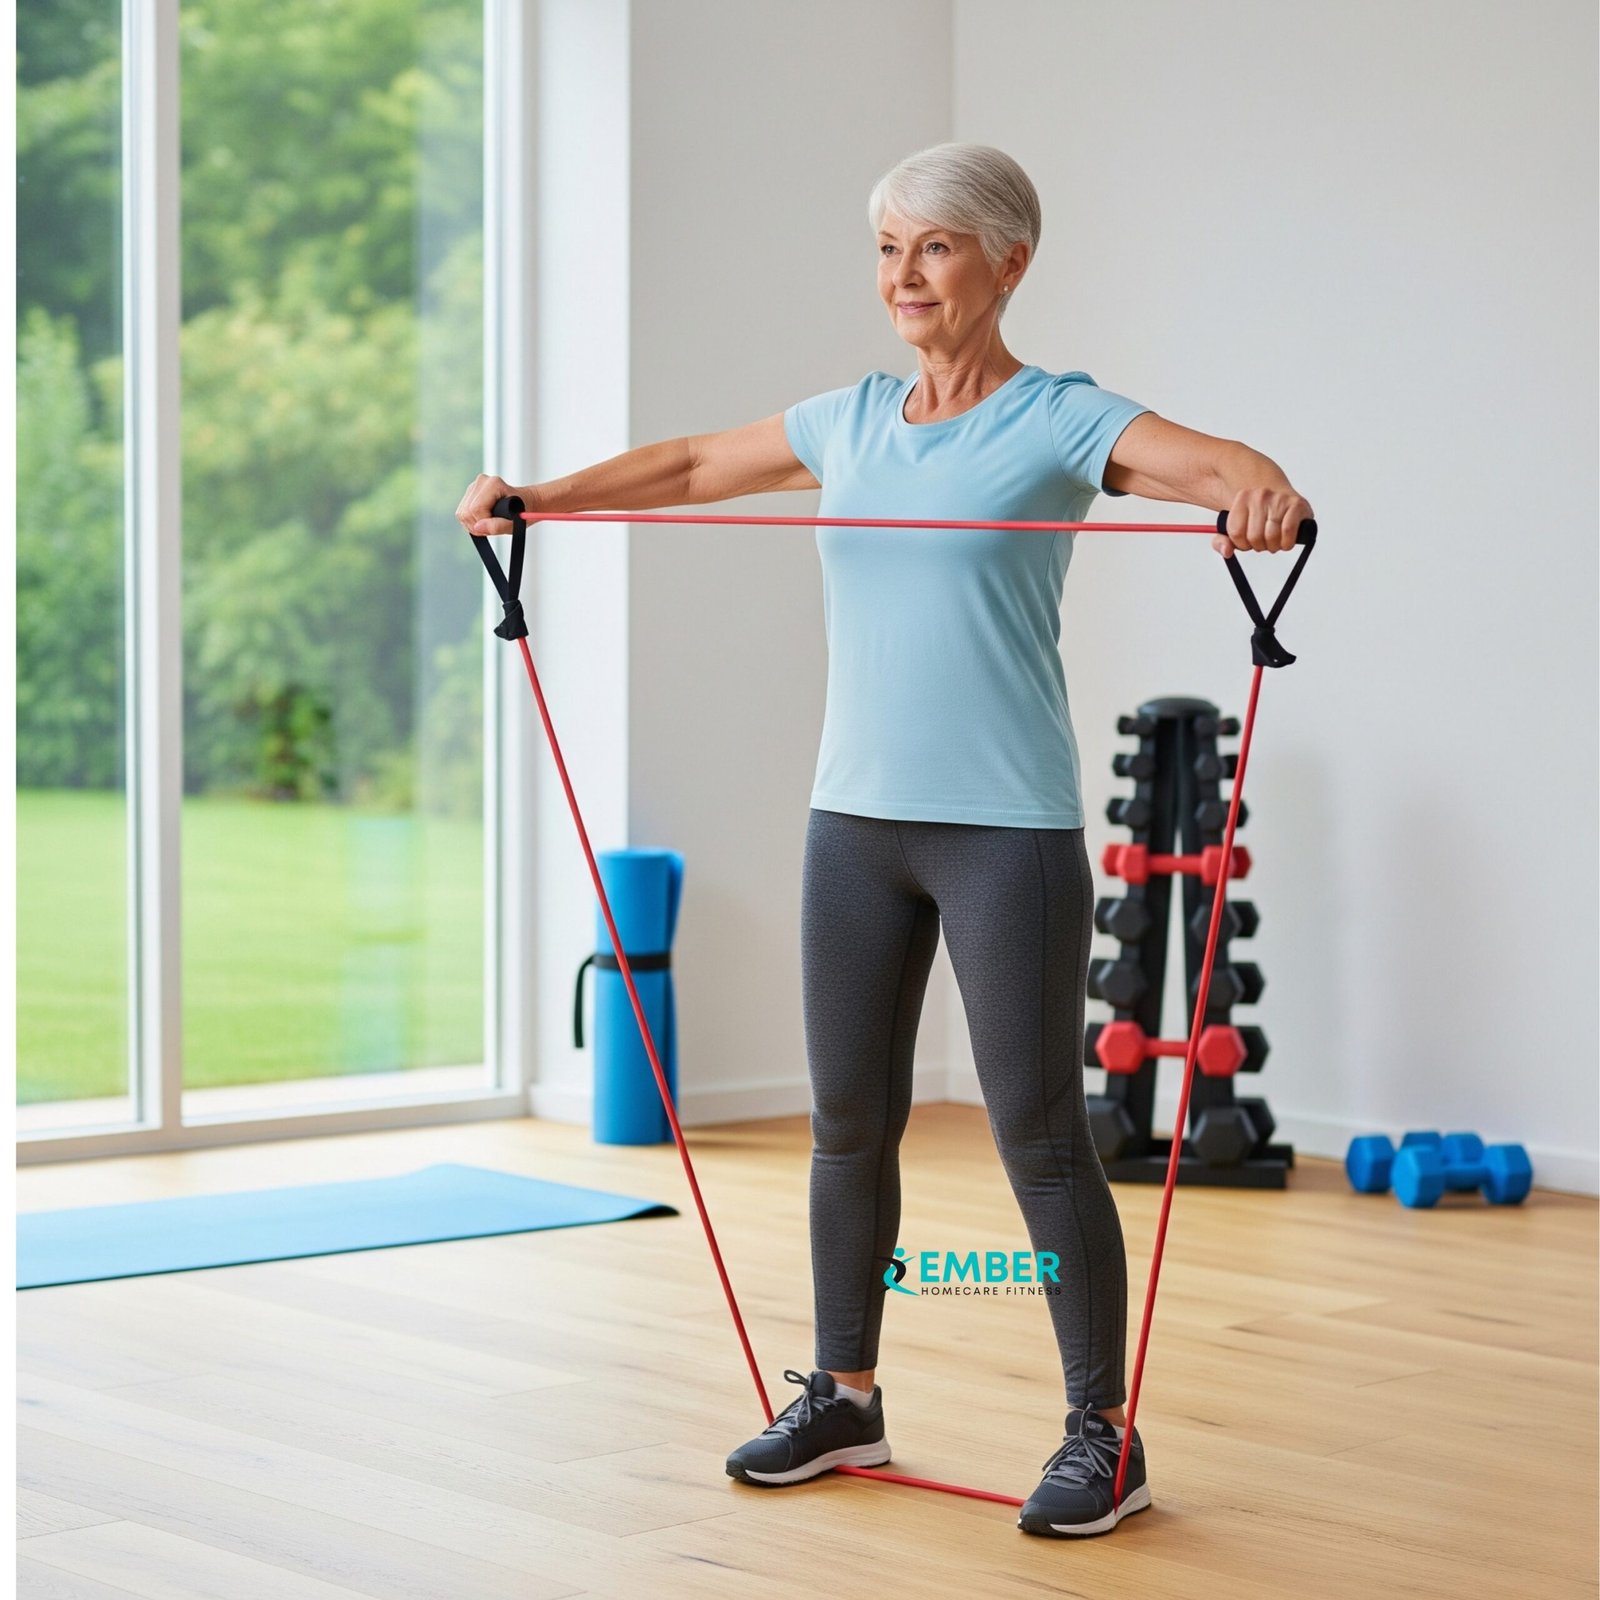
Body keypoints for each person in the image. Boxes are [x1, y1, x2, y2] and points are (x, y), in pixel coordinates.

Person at [455, 141, 1315, 1539]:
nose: (901, 277)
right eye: (885, 249)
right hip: (854, 822)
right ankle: (844, 1392)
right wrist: (539, 497)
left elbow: (1210, 464)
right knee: (848, 1122)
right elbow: (685, 464)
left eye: (933, 248)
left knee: (1039, 1130)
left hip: (1006, 831)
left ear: (1008, 261)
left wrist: (1259, 488)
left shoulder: (1058, 419)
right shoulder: (849, 419)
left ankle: (1103, 1433)